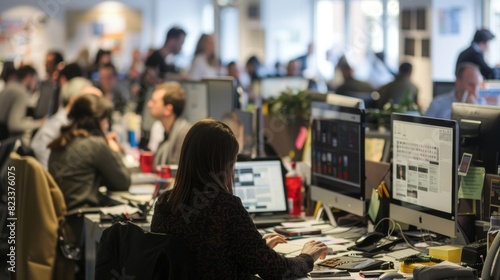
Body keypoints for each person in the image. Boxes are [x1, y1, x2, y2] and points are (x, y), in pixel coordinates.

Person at [150, 119, 328, 279]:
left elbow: (205, 259)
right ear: (222, 165)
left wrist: (254, 248)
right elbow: (277, 271)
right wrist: (307, 257)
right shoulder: (226, 206)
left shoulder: (164, 204)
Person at [48, 94, 130, 211]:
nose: (107, 124)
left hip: (64, 218)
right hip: (83, 220)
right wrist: (114, 150)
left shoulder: (60, 142)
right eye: (105, 119)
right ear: (97, 121)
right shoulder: (95, 144)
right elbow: (123, 182)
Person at [31, 77, 101, 169]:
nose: (97, 108)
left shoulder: (74, 124)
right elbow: (48, 170)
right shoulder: (54, 127)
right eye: (90, 101)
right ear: (73, 100)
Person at [147, 81, 191, 167]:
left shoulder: (184, 135)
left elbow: (176, 173)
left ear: (168, 110)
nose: (149, 104)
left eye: (154, 102)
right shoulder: (168, 133)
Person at [0, 65, 43, 141]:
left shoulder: (10, 86)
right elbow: (14, 125)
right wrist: (39, 123)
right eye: (35, 79)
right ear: (29, 77)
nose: (36, 83)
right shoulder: (20, 93)